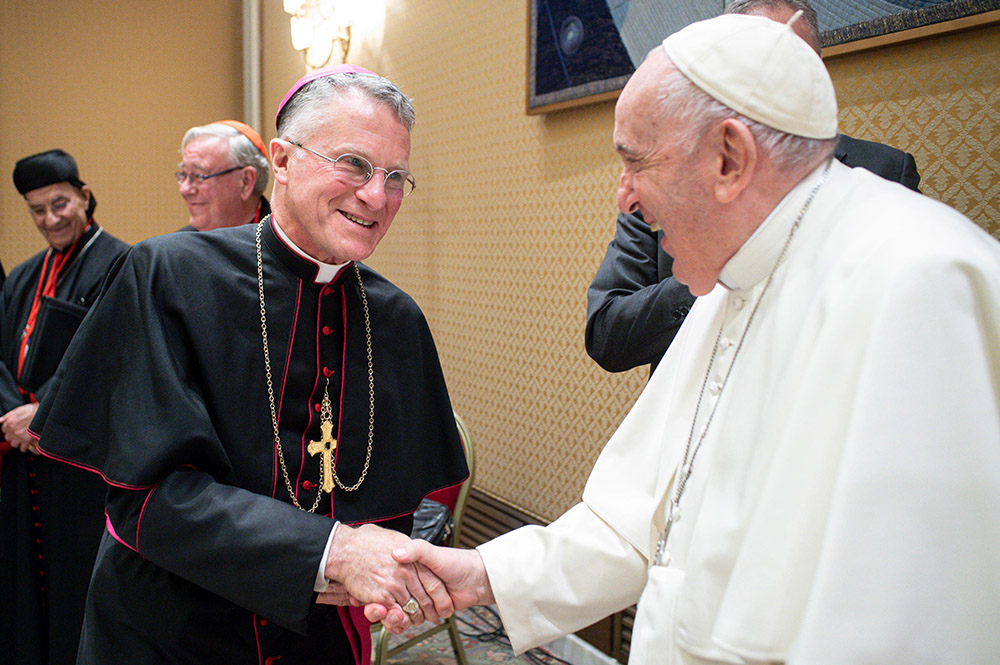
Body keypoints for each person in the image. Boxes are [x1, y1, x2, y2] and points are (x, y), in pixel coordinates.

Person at [368, 13, 1000, 664]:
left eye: (635, 163)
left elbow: (906, 630)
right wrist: (480, 574)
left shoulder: (922, 279)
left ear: (728, 157)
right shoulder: (727, 278)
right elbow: (636, 522)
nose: (626, 199)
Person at [29, 66, 468, 665]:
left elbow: (398, 502)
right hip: (167, 629)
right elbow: (144, 496)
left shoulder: (398, 319)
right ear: (281, 162)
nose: (376, 196)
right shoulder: (169, 274)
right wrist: (329, 552)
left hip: (320, 635)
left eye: (396, 177)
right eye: (355, 165)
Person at [585, 0, 922, 374]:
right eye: (751, 67)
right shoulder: (660, 185)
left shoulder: (884, 174)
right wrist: (717, 269)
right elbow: (607, 335)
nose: (769, 83)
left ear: (817, 74)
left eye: (786, 63)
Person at [0, 149, 129, 665]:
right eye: (37, 210)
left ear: (83, 195)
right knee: (22, 592)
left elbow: (109, 354)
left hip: (76, 465)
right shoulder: (22, 276)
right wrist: (13, 414)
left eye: (59, 203)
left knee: (75, 587)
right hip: (19, 454)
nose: (50, 219)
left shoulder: (120, 262)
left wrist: (42, 413)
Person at [176, 119, 271, 231]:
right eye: (183, 174)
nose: (184, 189)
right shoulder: (176, 245)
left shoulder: (285, 241)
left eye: (198, 176)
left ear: (246, 181)